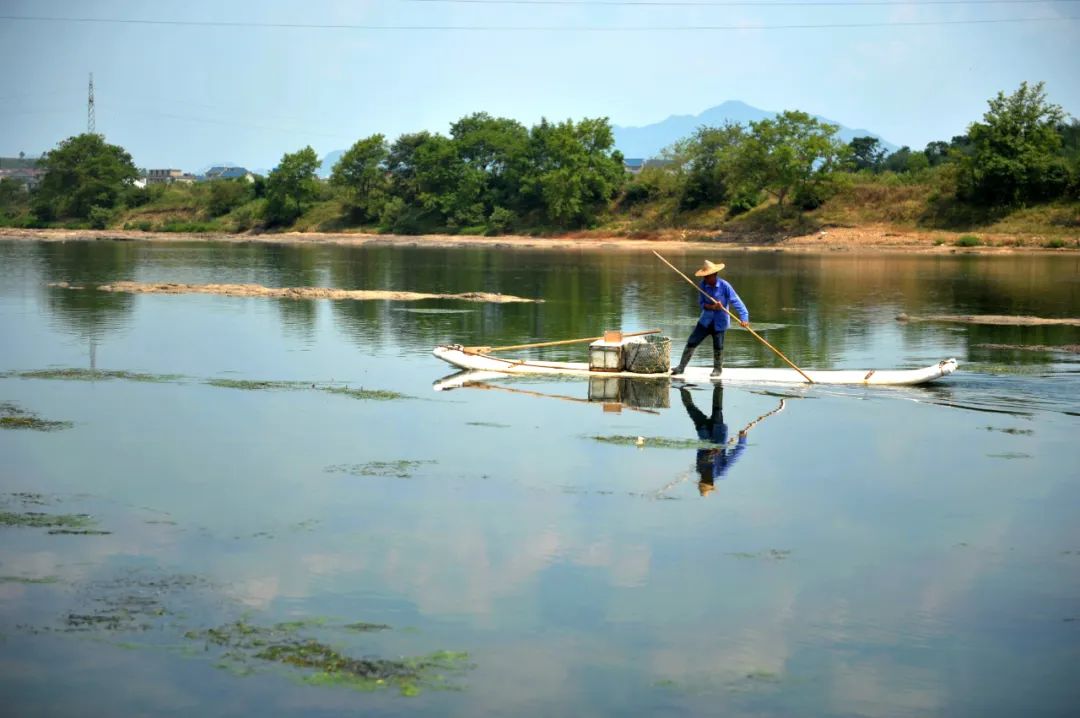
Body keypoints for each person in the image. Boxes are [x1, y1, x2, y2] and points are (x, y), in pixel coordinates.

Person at [671, 259, 749, 378]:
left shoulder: (724, 286)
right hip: (705, 321)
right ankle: (681, 367)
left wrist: (744, 318)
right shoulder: (703, 285)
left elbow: (737, 301)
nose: (705, 279)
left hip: (720, 322)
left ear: (714, 275)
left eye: (708, 276)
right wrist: (713, 307)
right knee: (692, 341)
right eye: (705, 276)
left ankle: (717, 369)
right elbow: (702, 303)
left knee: (718, 346)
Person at [679, 385, 748, 497]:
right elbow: (736, 454)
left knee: (690, 408)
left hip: (703, 431)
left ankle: (681, 388)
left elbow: (700, 450)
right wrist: (743, 438)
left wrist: (708, 452)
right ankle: (718, 386)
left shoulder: (699, 469)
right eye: (706, 481)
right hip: (718, 432)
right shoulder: (721, 470)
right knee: (717, 408)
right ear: (712, 482)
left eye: (703, 481)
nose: (704, 479)